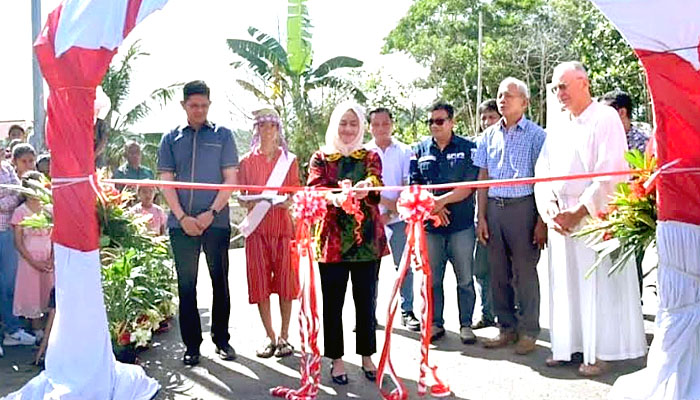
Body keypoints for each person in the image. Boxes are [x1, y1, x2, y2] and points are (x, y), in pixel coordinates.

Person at [534, 62, 646, 376]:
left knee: (597, 286)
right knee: (565, 286)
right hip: (561, 219)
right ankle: (568, 347)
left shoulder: (605, 117)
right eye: (556, 88)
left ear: (584, 83)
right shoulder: (558, 123)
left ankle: (601, 353)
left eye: (564, 86)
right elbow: (542, 171)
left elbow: (612, 172)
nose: (560, 93)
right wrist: (551, 207)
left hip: (593, 217)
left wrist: (580, 211)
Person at [157, 80, 238, 366]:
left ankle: (222, 339)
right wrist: (182, 217)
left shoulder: (224, 135)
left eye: (204, 105)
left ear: (209, 105)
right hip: (182, 225)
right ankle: (192, 345)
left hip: (215, 222)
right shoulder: (170, 139)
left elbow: (231, 180)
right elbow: (166, 183)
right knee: (186, 286)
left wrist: (210, 214)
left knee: (220, 282)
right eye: (194, 105)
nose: (199, 110)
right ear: (183, 105)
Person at [307, 101, 388, 385]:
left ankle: (367, 356)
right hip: (331, 241)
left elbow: (376, 179)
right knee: (333, 303)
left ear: (361, 127)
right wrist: (334, 198)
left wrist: (367, 187)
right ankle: (336, 360)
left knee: (366, 301)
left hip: (366, 239)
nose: (348, 129)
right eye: (343, 123)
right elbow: (315, 188)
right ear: (334, 125)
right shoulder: (321, 157)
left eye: (354, 124)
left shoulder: (370, 155)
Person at [473, 79, 547, 355]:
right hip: (494, 208)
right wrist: (481, 217)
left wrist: (542, 221)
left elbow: (545, 179)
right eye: (500, 95)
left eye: (510, 96)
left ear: (524, 103)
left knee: (525, 272)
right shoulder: (488, 135)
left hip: (524, 207)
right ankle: (506, 327)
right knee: (498, 272)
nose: (503, 100)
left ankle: (529, 330)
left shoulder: (538, 135)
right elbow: (482, 177)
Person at [409, 102, 480, 344]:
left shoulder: (469, 148)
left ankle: (466, 324)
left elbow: (469, 185)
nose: (434, 126)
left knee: (465, 278)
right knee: (432, 279)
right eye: (430, 122)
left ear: (451, 122)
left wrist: (440, 202)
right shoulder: (419, 150)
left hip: (461, 226)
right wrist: (433, 209)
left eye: (439, 121)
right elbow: (414, 186)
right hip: (431, 227)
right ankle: (435, 323)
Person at [237, 108, 300, 358]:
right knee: (260, 283)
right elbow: (241, 196)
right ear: (256, 129)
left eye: (272, 126)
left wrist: (287, 200)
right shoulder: (246, 161)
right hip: (256, 229)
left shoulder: (289, 160)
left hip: (282, 229)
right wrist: (251, 199)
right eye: (262, 126)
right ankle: (269, 336)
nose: (267, 130)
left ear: (278, 129)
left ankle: (285, 336)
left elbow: (294, 191)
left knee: (286, 283)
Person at [364, 107, 419, 332]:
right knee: (369, 270)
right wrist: (382, 211)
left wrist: (393, 212)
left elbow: (409, 184)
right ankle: (368, 314)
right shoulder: (363, 152)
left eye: (385, 123)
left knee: (404, 266)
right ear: (369, 127)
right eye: (375, 124)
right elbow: (365, 188)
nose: (381, 128)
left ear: (392, 124)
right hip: (370, 219)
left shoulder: (406, 151)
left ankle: (407, 312)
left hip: (399, 220)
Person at [11, 171, 54, 343]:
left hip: (47, 256)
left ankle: (48, 327)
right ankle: (36, 330)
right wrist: (33, 261)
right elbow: (18, 242)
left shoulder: (49, 209)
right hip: (29, 259)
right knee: (32, 293)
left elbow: (55, 234)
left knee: (47, 291)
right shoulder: (20, 212)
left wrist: (51, 258)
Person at [0, 151, 36, 351]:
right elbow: (12, 197)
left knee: (8, 285)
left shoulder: (7, 169)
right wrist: (8, 198)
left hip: (6, 233)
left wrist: (4, 201)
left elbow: (18, 194)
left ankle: (12, 331)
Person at [471, 99, 500, 330]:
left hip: (505, 211)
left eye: (491, 117)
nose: (487, 122)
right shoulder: (476, 145)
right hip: (480, 214)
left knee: (507, 267)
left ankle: (511, 313)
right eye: (483, 118)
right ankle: (486, 312)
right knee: (480, 268)